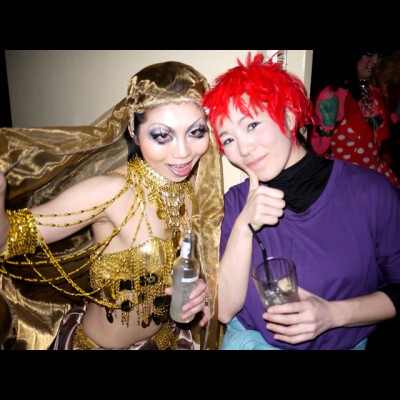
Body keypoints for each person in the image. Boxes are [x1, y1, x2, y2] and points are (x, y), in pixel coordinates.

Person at [0, 60, 224, 350]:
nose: (183, 153)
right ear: (134, 131)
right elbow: (7, 239)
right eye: (162, 135)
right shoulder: (112, 191)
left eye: (195, 132)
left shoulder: (192, 187)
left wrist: (198, 290)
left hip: (168, 341)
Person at [202, 53, 400, 350]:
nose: (243, 149)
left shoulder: (370, 192)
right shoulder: (235, 202)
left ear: (289, 116)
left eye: (252, 125)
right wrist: (243, 226)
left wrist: (332, 315)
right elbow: (226, 311)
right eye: (228, 139)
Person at [310, 49, 399, 188]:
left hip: (374, 174)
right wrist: (326, 126)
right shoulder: (333, 95)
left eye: (379, 55)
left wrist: (395, 115)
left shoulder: (371, 90)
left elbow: (376, 129)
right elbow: (318, 148)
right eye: (369, 53)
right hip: (345, 180)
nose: (375, 61)